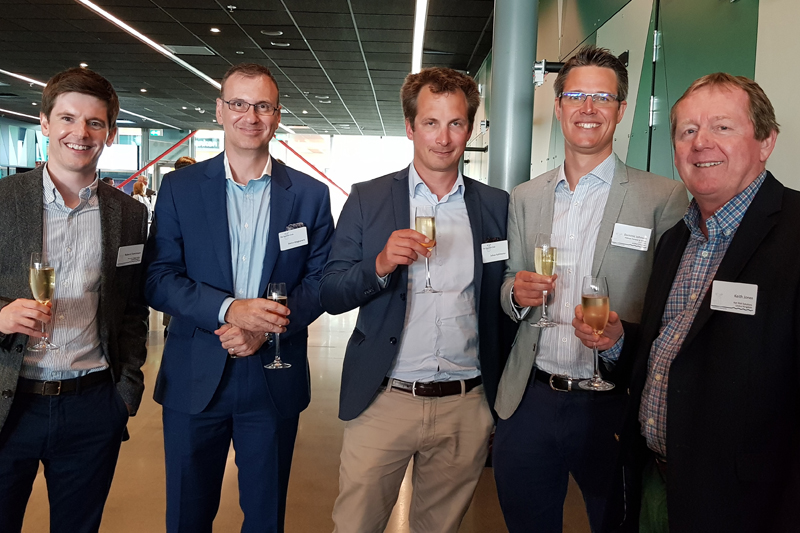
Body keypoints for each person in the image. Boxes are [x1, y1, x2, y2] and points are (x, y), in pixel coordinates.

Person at [574, 73, 798, 533]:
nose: (701, 143)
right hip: (654, 482)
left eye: (722, 127)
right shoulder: (678, 238)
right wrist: (620, 342)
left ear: (766, 141)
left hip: (747, 504)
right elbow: (679, 349)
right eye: (688, 131)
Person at [492, 45, 689, 533]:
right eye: (576, 95)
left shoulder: (662, 197)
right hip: (531, 399)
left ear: (621, 110)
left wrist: (620, 340)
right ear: (558, 106)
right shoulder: (526, 196)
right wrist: (515, 294)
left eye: (602, 97)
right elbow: (508, 281)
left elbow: (673, 307)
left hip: (613, 404)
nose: (588, 108)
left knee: (616, 524)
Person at [320, 67, 515, 533]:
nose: (443, 138)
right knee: (355, 526)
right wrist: (381, 264)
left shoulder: (496, 205)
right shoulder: (368, 199)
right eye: (431, 123)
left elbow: (504, 297)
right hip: (385, 398)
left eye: (455, 123)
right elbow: (330, 291)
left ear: (469, 129)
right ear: (410, 127)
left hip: (465, 403)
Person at [144, 63, 334, 533]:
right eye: (239, 104)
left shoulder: (309, 195)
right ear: (220, 110)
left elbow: (321, 281)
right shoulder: (181, 188)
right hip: (195, 375)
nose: (251, 116)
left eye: (263, 106)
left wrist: (264, 327)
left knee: (266, 519)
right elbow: (159, 278)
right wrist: (230, 311)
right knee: (187, 517)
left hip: (273, 375)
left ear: (277, 115)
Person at [0, 68, 149, 533]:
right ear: (45, 123)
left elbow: (132, 308)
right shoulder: (3, 201)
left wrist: (123, 394)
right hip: (8, 402)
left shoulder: (128, 213)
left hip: (91, 406)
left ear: (110, 133)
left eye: (95, 122)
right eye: (67, 118)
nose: (80, 133)